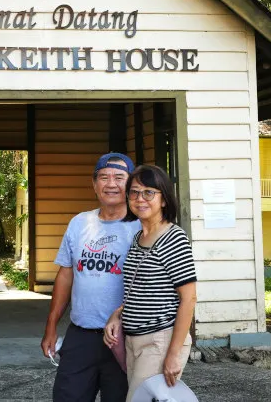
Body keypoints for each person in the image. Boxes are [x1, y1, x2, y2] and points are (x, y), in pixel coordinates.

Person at [41, 152, 141, 402]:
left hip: (124, 337)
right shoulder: (79, 223)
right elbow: (66, 274)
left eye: (119, 177)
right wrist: (51, 325)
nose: (111, 183)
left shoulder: (142, 226)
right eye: (103, 177)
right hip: (80, 335)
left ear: (130, 185)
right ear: (94, 184)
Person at [103, 165, 197, 401]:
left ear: (163, 199)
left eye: (148, 192)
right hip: (134, 340)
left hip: (159, 339)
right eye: (134, 192)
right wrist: (118, 315)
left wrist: (173, 354)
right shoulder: (139, 237)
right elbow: (141, 291)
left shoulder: (173, 238)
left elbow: (189, 298)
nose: (139, 199)